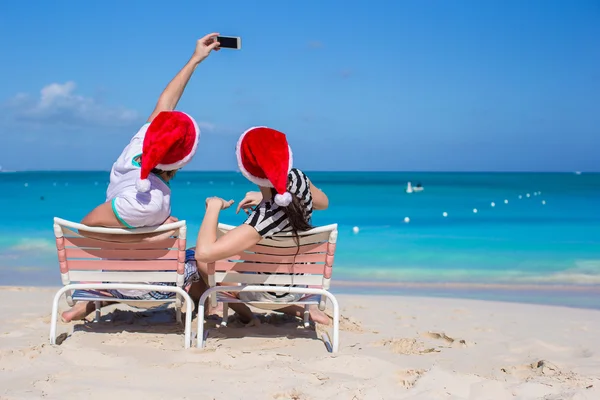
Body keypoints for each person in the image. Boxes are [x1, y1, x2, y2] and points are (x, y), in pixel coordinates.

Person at [61, 33, 221, 323]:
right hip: (138, 285)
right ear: (182, 162)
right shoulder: (148, 201)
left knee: (149, 253)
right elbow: (85, 226)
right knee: (202, 257)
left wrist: (196, 59)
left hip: (111, 271)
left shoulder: (138, 146)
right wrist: (159, 232)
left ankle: (85, 304)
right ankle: (207, 308)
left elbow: (166, 103)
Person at [191, 126, 331, 325]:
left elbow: (203, 254)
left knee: (199, 257)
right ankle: (301, 308)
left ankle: (248, 315)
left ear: (247, 170)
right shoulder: (299, 179)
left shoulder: (263, 219)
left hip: (271, 294)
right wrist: (264, 198)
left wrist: (213, 207)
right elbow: (323, 203)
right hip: (301, 284)